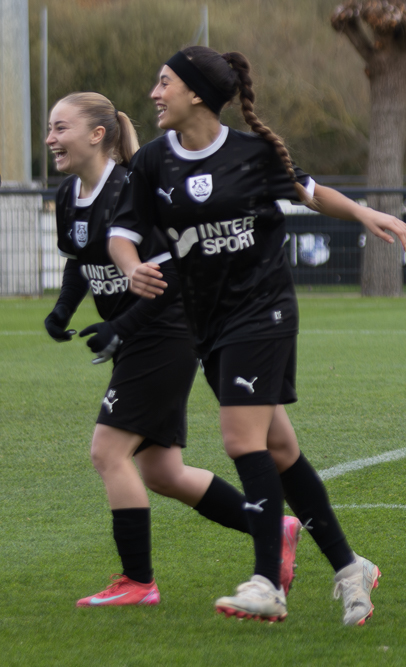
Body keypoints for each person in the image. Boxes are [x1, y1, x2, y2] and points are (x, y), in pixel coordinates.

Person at [108, 47, 406, 623]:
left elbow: (310, 191)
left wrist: (364, 213)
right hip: (208, 325)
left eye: (164, 83)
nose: (154, 94)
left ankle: (268, 582)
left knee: (240, 439)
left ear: (196, 93)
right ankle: (350, 567)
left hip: (263, 312)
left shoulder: (253, 153)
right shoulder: (152, 161)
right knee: (280, 450)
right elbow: (123, 232)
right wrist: (130, 268)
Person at [42, 92, 290, 607]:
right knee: (163, 473)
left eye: (60, 128)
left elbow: (172, 275)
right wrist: (62, 311)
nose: (50, 139)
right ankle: (272, 527)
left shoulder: (130, 189)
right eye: (50, 129)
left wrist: (122, 326)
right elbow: (79, 260)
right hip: (139, 337)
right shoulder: (69, 194)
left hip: (165, 332)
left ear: (97, 135)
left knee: (107, 452)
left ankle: (138, 583)